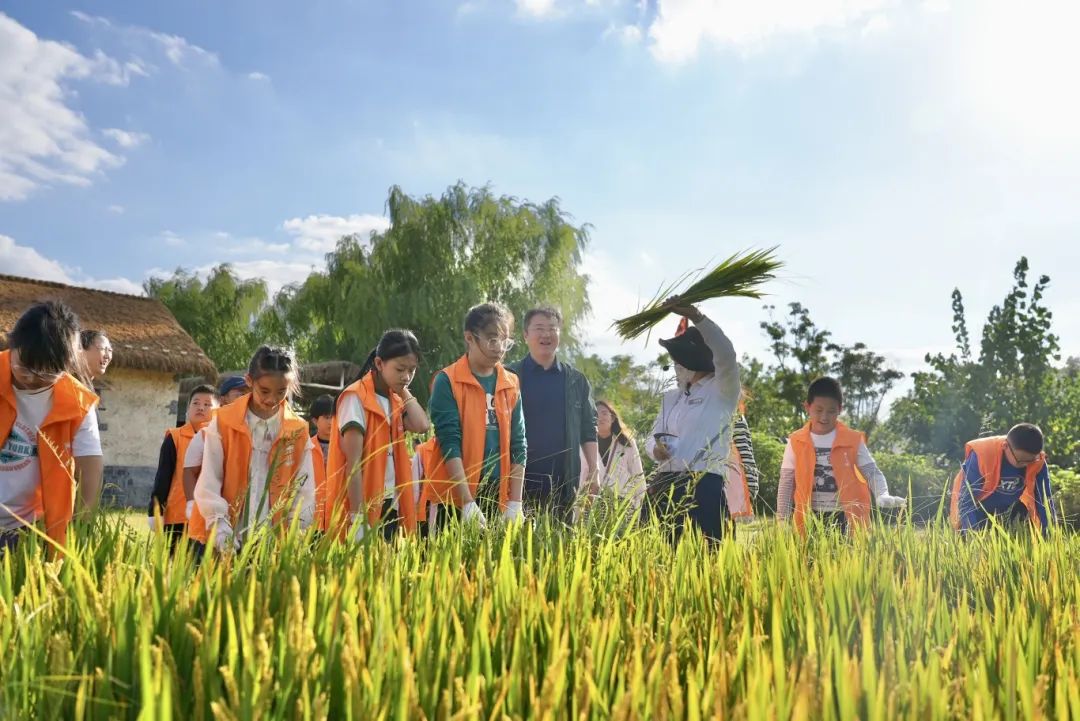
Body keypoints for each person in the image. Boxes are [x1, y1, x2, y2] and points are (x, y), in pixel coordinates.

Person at [190, 347, 316, 553]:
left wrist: (295, 531)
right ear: (250, 381)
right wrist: (220, 531)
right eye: (264, 391)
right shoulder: (224, 421)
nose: (272, 399)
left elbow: (304, 489)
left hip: (272, 540)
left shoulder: (298, 430)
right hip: (225, 534)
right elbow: (209, 481)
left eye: (281, 392)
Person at [1, 301, 103, 554]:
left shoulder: (77, 403)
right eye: (24, 365)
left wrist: (82, 524)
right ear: (12, 346)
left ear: (66, 366)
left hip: (26, 529)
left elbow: (90, 468)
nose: (31, 377)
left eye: (45, 373)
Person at [421, 302, 527, 531]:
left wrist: (515, 502)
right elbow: (450, 443)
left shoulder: (511, 383)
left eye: (504, 341)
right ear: (470, 337)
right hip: (453, 498)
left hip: (496, 496)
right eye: (492, 339)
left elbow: (519, 443)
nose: (499, 348)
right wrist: (467, 502)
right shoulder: (447, 380)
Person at [644, 300, 740, 543]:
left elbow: (726, 354)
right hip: (666, 484)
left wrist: (697, 317)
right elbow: (652, 436)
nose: (675, 367)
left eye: (679, 361)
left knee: (707, 561)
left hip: (704, 485)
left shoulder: (721, 390)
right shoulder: (671, 398)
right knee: (664, 559)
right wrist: (655, 450)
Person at [324, 331, 429, 539]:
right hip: (362, 506)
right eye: (400, 369)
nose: (406, 376)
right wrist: (357, 518)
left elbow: (422, 425)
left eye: (412, 370)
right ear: (379, 363)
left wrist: (404, 390)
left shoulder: (395, 400)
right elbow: (352, 465)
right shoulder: (355, 398)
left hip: (390, 501)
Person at [776, 377, 905, 534]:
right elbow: (787, 482)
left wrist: (882, 493)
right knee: (809, 557)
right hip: (808, 517)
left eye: (831, 411)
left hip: (845, 518)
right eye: (819, 410)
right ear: (807, 407)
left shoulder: (852, 440)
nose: (824, 417)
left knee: (845, 557)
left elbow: (872, 471)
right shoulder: (796, 441)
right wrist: (782, 518)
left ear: (839, 409)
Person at [506, 307, 598, 520]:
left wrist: (594, 471)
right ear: (525, 335)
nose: (546, 334)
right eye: (539, 328)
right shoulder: (509, 375)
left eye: (552, 329)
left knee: (559, 546)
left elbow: (587, 429)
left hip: (563, 481)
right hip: (515, 478)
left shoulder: (576, 380)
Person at [146, 384, 217, 552]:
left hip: (209, 518)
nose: (201, 407)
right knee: (174, 569)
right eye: (196, 403)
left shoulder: (221, 439)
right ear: (188, 408)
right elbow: (163, 477)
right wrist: (154, 511)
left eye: (207, 404)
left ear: (217, 410)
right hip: (178, 516)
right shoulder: (175, 437)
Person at [950, 423, 1056, 534]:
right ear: (1005, 446)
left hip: (1008, 513)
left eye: (1030, 461)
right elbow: (966, 501)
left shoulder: (1037, 461)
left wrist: (1050, 535)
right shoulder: (982, 455)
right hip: (976, 511)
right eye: (1020, 461)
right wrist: (972, 537)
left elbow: (1044, 501)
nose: (1026, 465)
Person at [181, 376, 250, 506]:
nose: (246, 398)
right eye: (240, 394)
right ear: (223, 400)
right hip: (214, 509)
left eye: (248, 394)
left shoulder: (255, 430)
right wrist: (192, 504)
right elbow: (189, 471)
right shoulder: (209, 431)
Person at [579, 400, 645, 506]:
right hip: (593, 502)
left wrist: (638, 506)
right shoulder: (584, 445)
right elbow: (581, 475)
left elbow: (638, 475)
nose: (600, 417)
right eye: (595, 414)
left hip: (622, 502)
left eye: (604, 413)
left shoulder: (627, 442)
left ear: (613, 418)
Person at [724, 397, 760, 523]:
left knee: (723, 530)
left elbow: (745, 450)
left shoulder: (734, 413)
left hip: (728, 484)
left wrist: (751, 483)